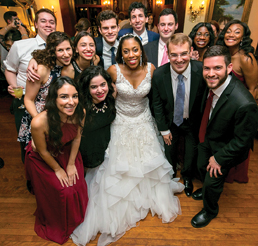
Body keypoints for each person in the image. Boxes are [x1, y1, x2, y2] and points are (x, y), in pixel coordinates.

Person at [71, 34, 184, 246]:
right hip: (120, 121)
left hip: (143, 121)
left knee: (148, 163)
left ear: (141, 50)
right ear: (120, 53)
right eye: (126, 51)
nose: (131, 54)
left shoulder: (151, 69)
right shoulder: (113, 70)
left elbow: (159, 95)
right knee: (118, 167)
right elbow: (99, 90)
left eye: (135, 49)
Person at [191, 45, 257, 228]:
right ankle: (205, 191)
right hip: (209, 137)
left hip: (226, 148)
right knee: (201, 166)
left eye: (217, 68)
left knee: (213, 182)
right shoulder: (211, 83)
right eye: (207, 68)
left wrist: (219, 159)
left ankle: (210, 210)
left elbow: (243, 141)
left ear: (229, 68)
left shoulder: (245, 103)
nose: (211, 73)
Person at [25, 76, 88, 244]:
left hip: (67, 152)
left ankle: (75, 220)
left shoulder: (80, 112)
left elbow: (76, 139)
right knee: (64, 191)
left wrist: (70, 164)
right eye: (64, 97)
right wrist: (58, 169)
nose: (71, 102)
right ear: (53, 99)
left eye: (74, 96)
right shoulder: (39, 122)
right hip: (44, 159)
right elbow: (43, 152)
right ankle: (57, 222)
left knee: (77, 185)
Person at [152, 33, 206, 197]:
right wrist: (163, 129)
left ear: (191, 52)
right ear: (168, 54)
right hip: (170, 122)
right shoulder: (159, 75)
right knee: (170, 152)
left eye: (183, 53)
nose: (179, 59)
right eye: (174, 54)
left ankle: (187, 178)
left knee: (191, 152)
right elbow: (157, 104)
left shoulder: (201, 71)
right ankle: (171, 177)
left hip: (192, 122)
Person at [4, 8, 56, 161]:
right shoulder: (20, 46)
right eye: (43, 21)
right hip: (25, 102)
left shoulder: (59, 47)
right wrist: (14, 87)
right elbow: (10, 70)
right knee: (28, 145)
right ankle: (32, 180)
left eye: (51, 22)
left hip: (51, 105)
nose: (48, 25)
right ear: (36, 25)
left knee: (50, 143)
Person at [17, 32, 72, 161]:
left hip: (58, 119)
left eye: (68, 49)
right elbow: (28, 99)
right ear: (52, 52)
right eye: (60, 50)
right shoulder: (41, 70)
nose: (66, 54)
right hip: (38, 117)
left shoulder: (67, 66)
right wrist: (40, 122)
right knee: (38, 160)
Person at [216, 19, 258, 183]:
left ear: (243, 37)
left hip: (236, 112)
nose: (231, 34)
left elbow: (253, 88)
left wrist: (245, 120)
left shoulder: (247, 59)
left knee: (230, 146)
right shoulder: (221, 54)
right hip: (219, 107)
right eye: (228, 31)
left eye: (237, 32)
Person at [76, 66, 116, 169]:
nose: (100, 90)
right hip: (86, 159)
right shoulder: (82, 108)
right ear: (86, 88)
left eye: (103, 85)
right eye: (94, 87)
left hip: (107, 155)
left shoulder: (111, 97)